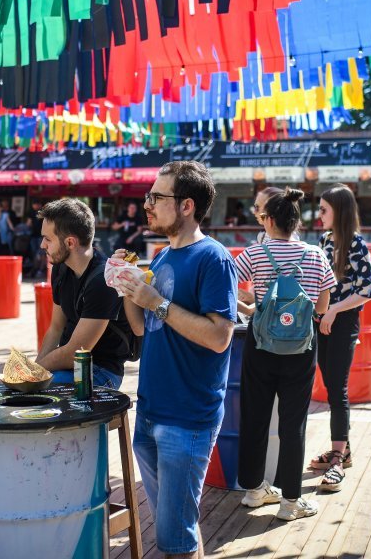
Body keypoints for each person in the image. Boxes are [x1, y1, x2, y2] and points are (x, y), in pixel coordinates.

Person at [114, 161, 237, 558]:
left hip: (187, 419)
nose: (147, 204)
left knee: (173, 540)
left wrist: (158, 302)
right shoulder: (164, 256)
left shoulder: (213, 258)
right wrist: (127, 287)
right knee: (178, 532)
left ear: (186, 205)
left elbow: (220, 337)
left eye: (157, 197)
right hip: (150, 412)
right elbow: (141, 327)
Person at [234, 188, 335, 520]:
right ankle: (290, 502)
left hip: (260, 346)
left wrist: (252, 306)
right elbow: (322, 306)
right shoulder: (316, 255)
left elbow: (226, 282)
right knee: (294, 424)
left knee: (254, 417)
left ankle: (252, 490)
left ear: (271, 220)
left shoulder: (255, 253)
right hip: (300, 349)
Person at [312, 183, 371, 492]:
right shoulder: (324, 240)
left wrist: (335, 310)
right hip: (321, 320)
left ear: (339, 211)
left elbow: (367, 290)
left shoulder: (356, 244)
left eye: (324, 209)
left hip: (342, 321)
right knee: (329, 384)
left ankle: (338, 457)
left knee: (337, 389)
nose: (319, 214)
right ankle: (344, 448)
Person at [34, 199, 131, 389]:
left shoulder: (103, 280)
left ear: (70, 242)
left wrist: (35, 372)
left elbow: (74, 353)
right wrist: (34, 372)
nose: (42, 245)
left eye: (48, 239)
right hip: (67, 365)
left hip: (101, 369)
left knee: (46, 394)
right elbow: (56, 328)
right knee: (26, 393)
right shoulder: (60, 268)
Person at [27, 200, 45, 277]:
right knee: (38, 254)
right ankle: (38, 270)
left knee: (39, 254)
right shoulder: (39, 213)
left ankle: (39, 270)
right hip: (36, 236)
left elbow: (28, 224)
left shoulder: (42, 213)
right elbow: (29, 223)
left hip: (39, 236)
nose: (35, 206)